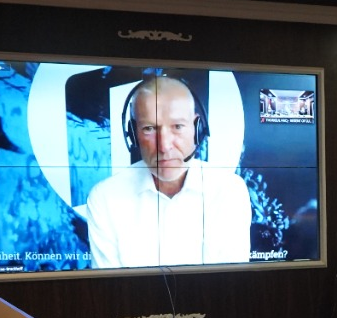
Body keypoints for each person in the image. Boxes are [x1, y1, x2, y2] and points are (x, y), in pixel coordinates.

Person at [85, 75, 251, 268]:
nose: (164, 146)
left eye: (177, 127)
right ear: (133, 134)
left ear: (197, 129)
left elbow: (231, 286)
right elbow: (112, 290)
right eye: (149, 128)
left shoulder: (229, 190)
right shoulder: (105, 197)